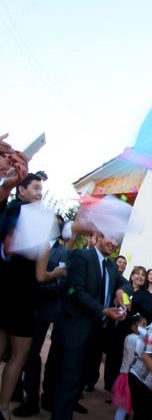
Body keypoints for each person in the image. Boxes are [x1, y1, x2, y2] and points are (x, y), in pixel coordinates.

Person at [0, 173, 65, 420]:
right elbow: (40, 275)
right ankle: (4, 407)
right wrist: (57, 272)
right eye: (36, 188)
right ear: (22, 191)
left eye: (41, 189)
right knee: (18, 357)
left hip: (4, 291)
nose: (40, 193)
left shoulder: (8, 212)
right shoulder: (39, 220)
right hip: (24, 296)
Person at [46, 230, 128, 419]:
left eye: (117, 240)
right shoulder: (81, 256)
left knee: (77, 382)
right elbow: (77, 291)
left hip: (94, 335)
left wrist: (121, 292)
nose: (113, 243)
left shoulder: (111, 267)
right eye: (111, 237)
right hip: (74, 330)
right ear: (99, 236)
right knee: (67, 381)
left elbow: (127, 284)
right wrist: (103, 310)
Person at [12, 217, 71, 418]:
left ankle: (31, 400)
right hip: (25, 307)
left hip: (43, 310)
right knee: (19, 353)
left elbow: (61, 284)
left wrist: (36, 288)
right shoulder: (33, 246)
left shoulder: (63, 252)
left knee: (32, 354)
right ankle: (17, 389)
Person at [112, 314, 147, 420]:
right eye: (144, 325)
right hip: (128, 376)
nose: (146, 328)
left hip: (128, 375)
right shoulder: (134, 339)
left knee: (126, 407)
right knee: (124, 406)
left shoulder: (132, 338)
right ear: (134, 327)